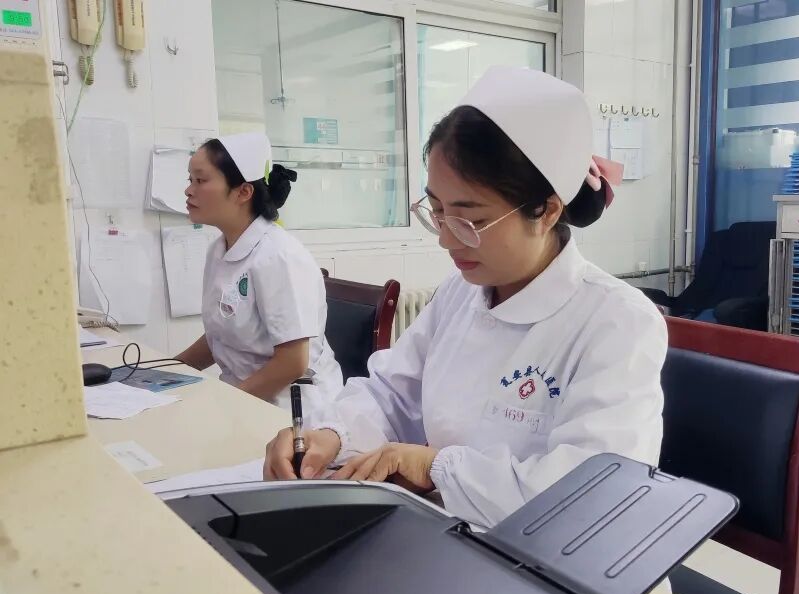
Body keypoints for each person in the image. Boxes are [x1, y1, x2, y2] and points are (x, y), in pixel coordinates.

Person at [263, 67, 668, 528]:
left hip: (546, 556)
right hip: (442, 527)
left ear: (547, 210)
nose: (445, 239)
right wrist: (331, 435)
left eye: (470, 220)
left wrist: (437, 467)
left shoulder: (617, 321)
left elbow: (593, 498)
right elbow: (392, 392)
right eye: (436, 210)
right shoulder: (461, 293)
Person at [176, 132, 342, 410]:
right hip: (244, 395)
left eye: (201, 181)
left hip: (289, 408)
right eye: (189, 179)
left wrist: (225, 405)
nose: (189, 190)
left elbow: (292, 362)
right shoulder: (219, 250)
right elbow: (220, 336)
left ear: (243, 192)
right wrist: (165, 370)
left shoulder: (278, 256)